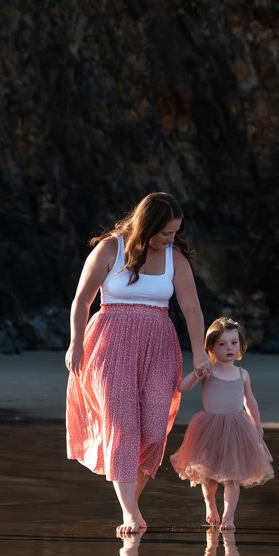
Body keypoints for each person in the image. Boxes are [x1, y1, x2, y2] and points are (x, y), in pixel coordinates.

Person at [65, 192, 209, 537]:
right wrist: (75, 344)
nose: (170, 240)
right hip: (109, 343)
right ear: (146, 226)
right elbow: (82, 299)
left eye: (174, 233)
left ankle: (131, 504)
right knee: (122, 425)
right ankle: (131, 513)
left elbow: (192, 309)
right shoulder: (110, 249)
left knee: (155, 426)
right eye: (165, 234)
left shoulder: (175, 258)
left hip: (158, 344)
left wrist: (200, 353)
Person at [169, 317, 273, 530]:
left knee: (232, 476)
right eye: (222, 344)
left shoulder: (242, 374)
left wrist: (257, 424)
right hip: (209, 428)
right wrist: (197, 373)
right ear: (212, 347)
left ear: (240, 345)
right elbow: (182, 387)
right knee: (209, 476)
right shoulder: (209, 371)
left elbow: (249, 400)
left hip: (236, 428)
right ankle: (209, 504)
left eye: (234, 342)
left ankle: (228, 517)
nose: (229, 348)